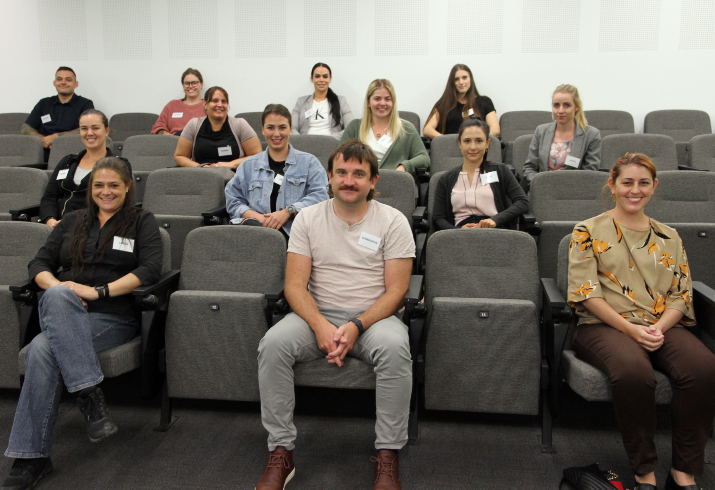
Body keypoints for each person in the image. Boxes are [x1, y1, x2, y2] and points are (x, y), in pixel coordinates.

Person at [255, 139, 414, 490]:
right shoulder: (309, 218)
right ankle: (281, 449)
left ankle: (387, 454)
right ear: (329, 177)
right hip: (317, 313)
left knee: (395, 350)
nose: (349, 180)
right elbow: (295, 286)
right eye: (341, 172)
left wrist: (357, 325)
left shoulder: (393, 221)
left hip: (374, 318)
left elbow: (397, 291)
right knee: (273, 344)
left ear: (374, 181)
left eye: (359, 174)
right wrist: (321, 325)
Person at [2, 157, 162, 490]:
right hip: (64, 312)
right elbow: (39, 263)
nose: (106, 191)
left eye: (114, 185)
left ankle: (31, 458)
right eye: (99, 185)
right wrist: (61, 288)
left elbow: (149, 270)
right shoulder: (71, 220)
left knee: (40, 351)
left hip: (112, 315)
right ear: (90, 189)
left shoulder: (141, 221)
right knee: (59, 297)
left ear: (128, 187)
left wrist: (96, 291)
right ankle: (89, 393)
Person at [568, 153, 715, 490]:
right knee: (634, 372)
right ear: (613, 185)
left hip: (660, 324)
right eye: (627, 183)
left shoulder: (669, 236)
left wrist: (658, 328)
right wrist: (631, 330)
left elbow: (681, 295)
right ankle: (644, 473)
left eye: (643, 183)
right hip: (603, 326)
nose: (635, 190)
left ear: (654, 187)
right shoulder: (587, 231)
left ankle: (683, 474)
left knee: (704, 368)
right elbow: (587, 293)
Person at [225, 104, 329, 237]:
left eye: (282, 127)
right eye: (270, 128)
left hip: (296, 236)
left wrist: (288, 211)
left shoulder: (310, 163)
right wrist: (257, 218)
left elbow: (321, 197)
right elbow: (233, 200)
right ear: (262, 130)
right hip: (255, 234)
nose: (276, 134)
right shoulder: (247, 166)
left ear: (290, 129)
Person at [40, 109, 132, 228]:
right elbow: (49, 197)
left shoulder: (118, 165)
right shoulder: (66, 162)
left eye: (95, 128)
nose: (89, 133)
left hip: (94, 229)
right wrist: (50, 221)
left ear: (106, 131)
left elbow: (119, 203)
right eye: (84, 128)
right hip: (58, 228)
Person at [433, 117, 528, 230]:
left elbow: (522, 202)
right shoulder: (446, 179)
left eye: (479, 141)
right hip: (460, 236)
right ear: (460, 144)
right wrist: (458, 230)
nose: (473, 147)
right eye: (467, 141)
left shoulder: (500, 171)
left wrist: (495, 220)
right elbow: (438, 218)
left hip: (495, 231)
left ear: (487, 143)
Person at [340, 79, 429, 179]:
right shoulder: (355, 126)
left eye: (387, 99)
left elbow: (424, 158)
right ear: (368, 102)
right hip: (361, 184)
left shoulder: (406, 128)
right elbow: (340, 157)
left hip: (395, 182)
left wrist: (404, 166)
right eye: (377, 99)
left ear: (393, 102)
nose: (382, 103)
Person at [522, 84, 601, 188]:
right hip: (543, 190)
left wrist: (563, 187)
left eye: (567, 105)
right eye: (556, 105)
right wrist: (541, 184)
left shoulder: (591, 135)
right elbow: (529, 167)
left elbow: (589, 173)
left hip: (574, 192)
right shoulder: (541, 131)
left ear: (576, 107)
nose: (560, 111)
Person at [174, 86, 262, 169]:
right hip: (201, 177)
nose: (220, 105)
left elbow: (257, 156)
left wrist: (229, 165)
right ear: (205, 104)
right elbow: (180, 156)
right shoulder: (193, 125)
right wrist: (200, 168)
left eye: (224, 101)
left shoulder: (240, 124)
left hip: (233, 178)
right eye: (215, 101)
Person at [22, 67, 95, 160]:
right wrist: (44, 140)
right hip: (45, 150)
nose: (63, 82)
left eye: (68, 80)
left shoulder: (85, 104)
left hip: (73, 150)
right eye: (59, 79)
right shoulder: (44, 103)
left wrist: (56, 138)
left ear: (76, 84)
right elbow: (26, 128)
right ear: (54, 83)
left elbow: (89, 129)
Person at [423, 64, 499, 139]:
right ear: (452, 82)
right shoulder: (443, 104)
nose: (461, 82)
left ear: (470, 79)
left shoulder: (484, 101)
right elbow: (427, 129)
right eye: (456, 79)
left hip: (477, 148)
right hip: (450, 148)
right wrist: (447, 141)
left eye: (464, 78)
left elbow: (495, 129)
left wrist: (479, 140)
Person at [291, 62, 353, 139]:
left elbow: (350, 128)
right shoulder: (301, 102)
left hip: (332, 145)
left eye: (325, 76)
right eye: (317, 76)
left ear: (330, 79)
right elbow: (292, 128)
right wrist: (302, 142)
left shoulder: (341, 101)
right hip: (305, 146)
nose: (321, 80)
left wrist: (328, 140)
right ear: (312, 79)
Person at [151, 68, 206, 136]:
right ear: (183, 85)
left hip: (198, 142)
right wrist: (172, 139)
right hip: (173, 142)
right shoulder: (172, 105)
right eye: (187, 83)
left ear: (201, 84)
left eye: (194, 83)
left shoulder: (208, 105)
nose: (190, 86)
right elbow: (158, 127)